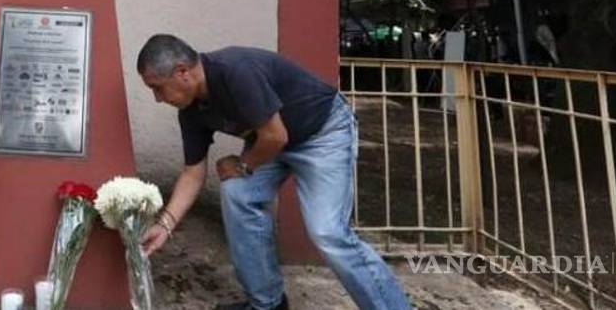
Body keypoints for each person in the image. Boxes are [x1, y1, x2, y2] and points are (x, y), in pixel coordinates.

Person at [137, 35, 411, 310]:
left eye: (157, 88)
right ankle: (267, 303)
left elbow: (275, 136)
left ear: (182, 72)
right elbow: (192, 173)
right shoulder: (191, 111)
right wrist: (164, 226)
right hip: (269, 142)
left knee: (327, 232)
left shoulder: (235, 70)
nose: (158, 99)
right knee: (237, 192)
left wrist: (244, 166)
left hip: (322, 133)